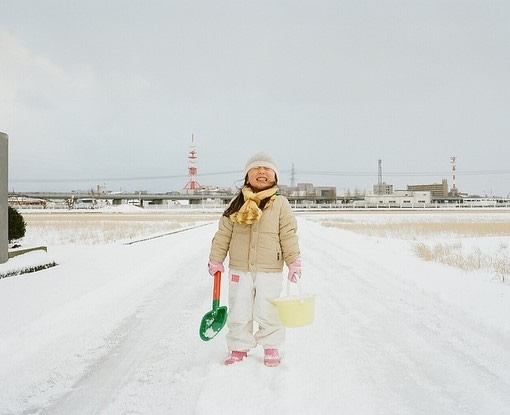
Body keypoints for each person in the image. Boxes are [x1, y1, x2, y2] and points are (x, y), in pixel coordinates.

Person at [208, 152, 301, 367]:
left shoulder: (280, 204)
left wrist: (293, 261)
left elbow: (288, 234)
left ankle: (270, 346)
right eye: (256, 168)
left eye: (267, 169)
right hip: (240, 268)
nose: (261, 172)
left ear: (275, 177)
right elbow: (223, 234)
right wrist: (216, 258)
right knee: (239, 309)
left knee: (268, 309)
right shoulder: (236, 202)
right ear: (246, 176)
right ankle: (239, 347)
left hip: (270, 268)